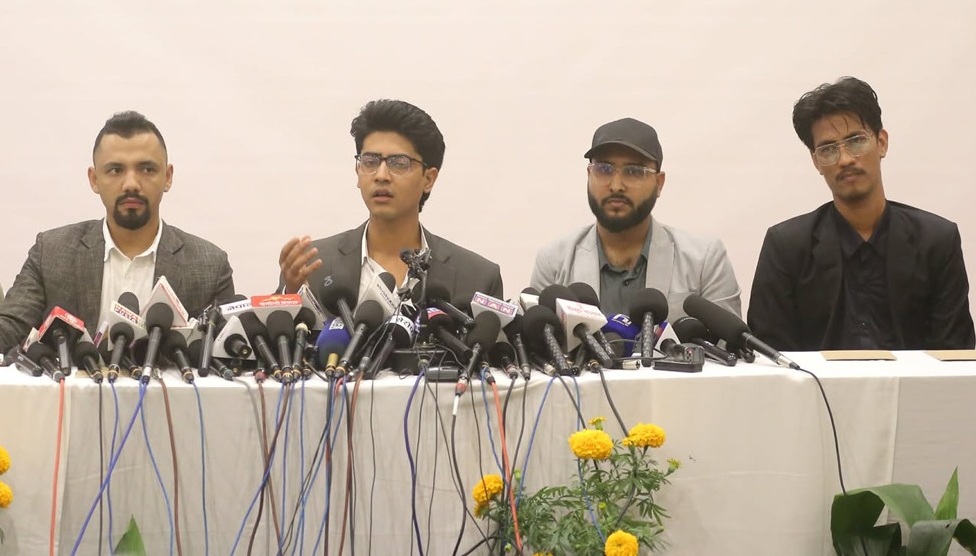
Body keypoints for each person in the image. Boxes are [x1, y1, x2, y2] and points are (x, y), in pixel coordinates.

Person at [748, 76, 975, 351]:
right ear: (816, 161)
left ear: (882, 142)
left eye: (856, 141)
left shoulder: (937, 241)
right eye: (828, 149)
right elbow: (771, 355)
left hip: (915, 382)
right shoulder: (786, 247)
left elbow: (955, 354)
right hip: (815, 382)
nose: (845, 159)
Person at [0, 111, 236, 354]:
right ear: (94, 179)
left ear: (167, 177)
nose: (131, 184)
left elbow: (231, 350)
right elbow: (9, 329)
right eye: (115, 170)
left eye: (147, 169)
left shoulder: (209, 265)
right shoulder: (51, 253)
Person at [278, 99, 503, 306]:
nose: (381, 175)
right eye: (370, 161)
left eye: (399, 163)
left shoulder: (477, 278)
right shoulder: (312, 266)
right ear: (357, 172)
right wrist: (292, 293)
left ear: (428, 179)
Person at [530, 117, 741, 319]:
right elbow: (538, 340)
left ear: (659, 183)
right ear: (589, 175)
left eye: (634, 171)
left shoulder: (704, 260)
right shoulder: (554, 261)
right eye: (603, 169)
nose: (616, 185)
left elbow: (729, 342)